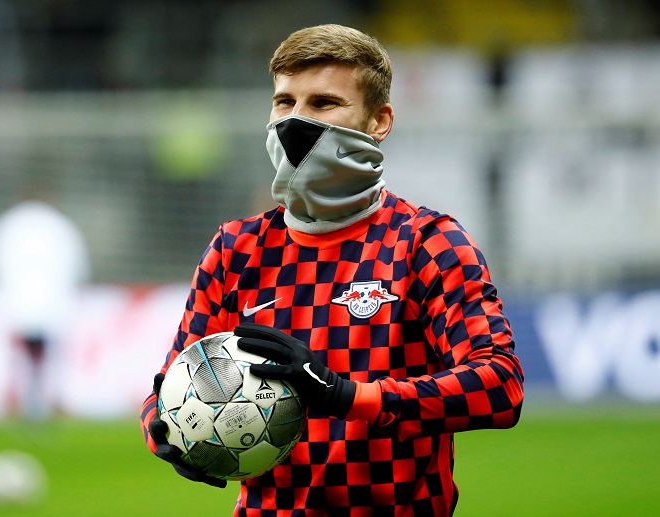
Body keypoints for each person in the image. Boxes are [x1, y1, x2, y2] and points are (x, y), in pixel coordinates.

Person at [141, 24, 524, 516]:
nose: (295, 121)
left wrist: (346, 395)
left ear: (379, 120)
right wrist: (163, 430)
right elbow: (173, 380)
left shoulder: (427, 243)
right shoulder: (235, 248)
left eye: (323, 103)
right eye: (285, 102)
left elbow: (498, 386)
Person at [0, 196, 90, 418]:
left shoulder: (7, 226)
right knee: (47, 356)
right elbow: (79, 267)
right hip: (52, 304)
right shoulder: (60, 226)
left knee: (22, 356)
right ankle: (49, 401)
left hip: (18, 304)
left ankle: (21, 401)